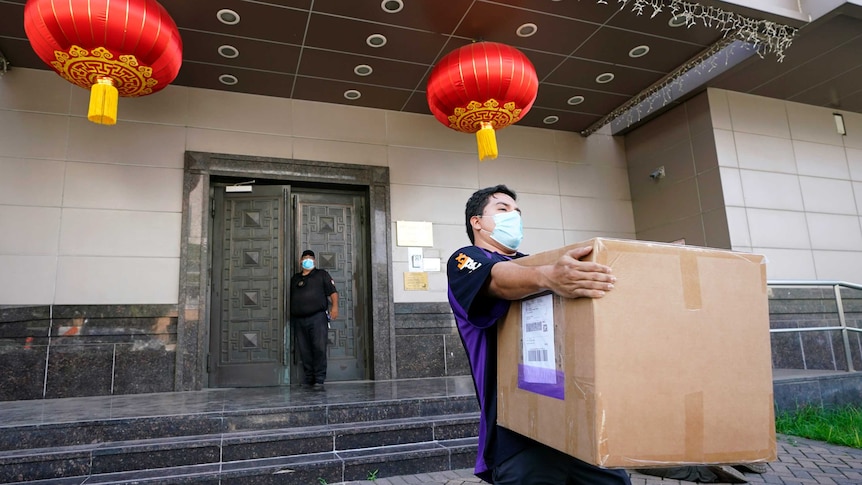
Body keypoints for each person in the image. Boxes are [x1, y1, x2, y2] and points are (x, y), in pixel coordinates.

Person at [446, 185, 630, 485]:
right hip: (517, 436)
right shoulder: (466, 260)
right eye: (503, 210)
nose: (513, 216)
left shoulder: (537, 263)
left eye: (517, 212)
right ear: (477, 221)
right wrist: (549, 277)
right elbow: (499, 281)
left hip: (575, 426)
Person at [290, 249, 338, 390]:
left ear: (315, 261)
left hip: (317, 318)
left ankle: (319, 379)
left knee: (318, 348)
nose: (308, 260)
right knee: (304, 350)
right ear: (300, 261)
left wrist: (334, 308)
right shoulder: (295, 278)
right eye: (305, 258)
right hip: (299, 319)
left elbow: (333, 292)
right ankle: (309, 378)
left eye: (310, 258)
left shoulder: (322, 275)